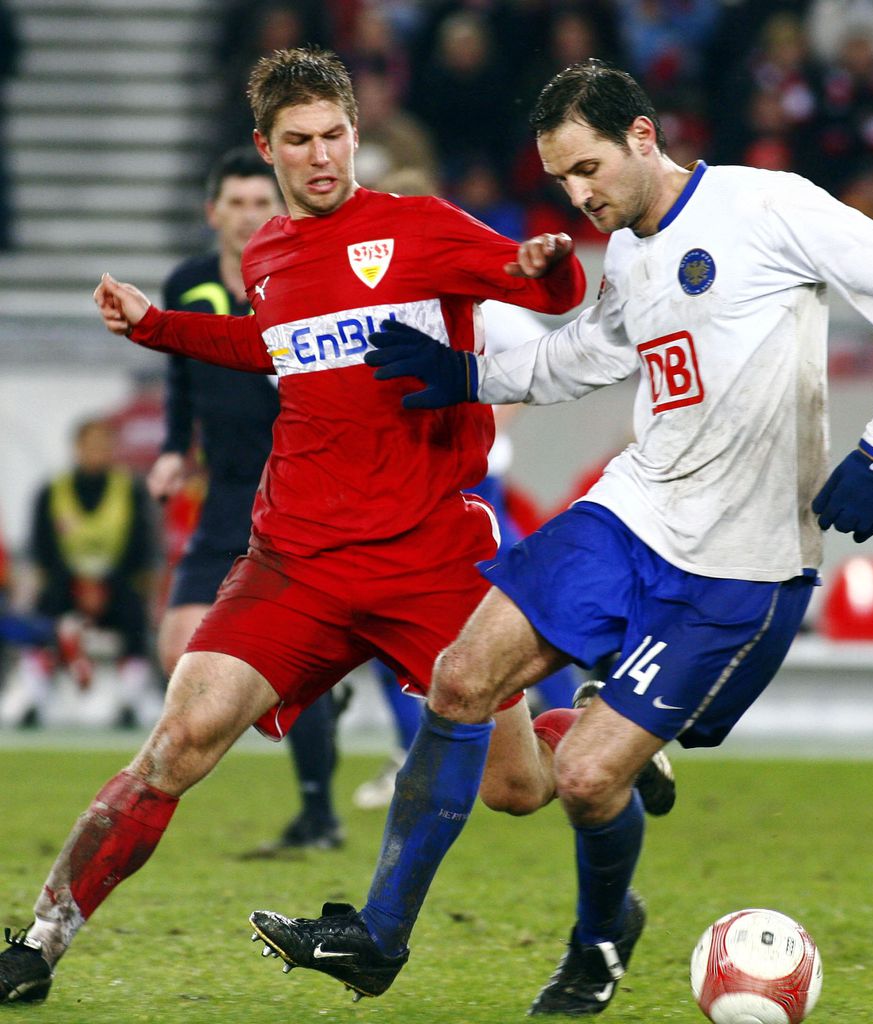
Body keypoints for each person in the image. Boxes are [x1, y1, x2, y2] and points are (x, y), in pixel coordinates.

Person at [247, 59, 873, 1014]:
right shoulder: (627, 253)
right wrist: (467, 375)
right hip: (633, 512)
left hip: (739, 567)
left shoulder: (768, 206)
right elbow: (588, 353)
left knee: (582, 780)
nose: (578, 197)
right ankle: (377, 937)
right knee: (459, 678)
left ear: (644, 137)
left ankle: (602, 935)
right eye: (561, 182)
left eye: (587, 170)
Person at [0, 45, 588, 1005]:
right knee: (180, 739)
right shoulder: (270, 253)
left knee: (517, 792)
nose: (321, 157)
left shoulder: (421, 229)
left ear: (357, 134)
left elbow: (548, 295)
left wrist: (542, 266)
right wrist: (156, 326)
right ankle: (37, 942)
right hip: (298, 562)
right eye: (298, 142)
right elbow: (265, 341)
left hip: (428, 552)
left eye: (335, 137)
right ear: (267, 150)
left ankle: (589, 742)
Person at [148, 145, 346, 850]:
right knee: (179, 645)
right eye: (235, 203)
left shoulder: (303, 276)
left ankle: (319, 812)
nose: (248, 215)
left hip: (295, 492)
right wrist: (175, 448)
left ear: (278, 208)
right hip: (227, 490)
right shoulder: (189, 282)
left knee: (286, 656)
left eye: (261, 202)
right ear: (213, 213)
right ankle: (317, 698)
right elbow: (179, 379)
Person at [1, 418, 159, 730]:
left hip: (116, 588)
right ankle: (31, 697)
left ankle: (133, 699)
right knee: (43, 617)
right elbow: (43, 549)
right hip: (65, 587)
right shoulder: (52, 491)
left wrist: (105, 585)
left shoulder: (130, 490)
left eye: (103, 446)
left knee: (134, 617)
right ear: (77, 448)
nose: (96, 453)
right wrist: (78, 585)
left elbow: (140, 546)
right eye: (90, 446)